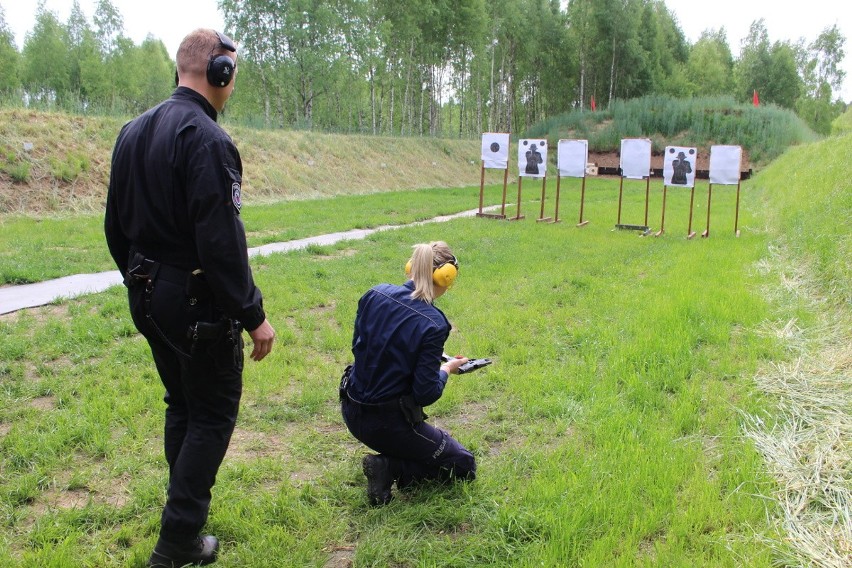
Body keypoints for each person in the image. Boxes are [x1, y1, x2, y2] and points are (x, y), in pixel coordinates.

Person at [104, 28, 275, 568]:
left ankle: (184, 515)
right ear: (218, 72)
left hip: (147, 294)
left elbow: (114, 227)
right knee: (211, 413)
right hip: (192, 302)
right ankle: (178, 542)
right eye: (233, 74)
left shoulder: (131, 131)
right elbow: (221, 244)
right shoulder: (208, 139)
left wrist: (140, 279)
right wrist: (254, 317)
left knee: (183, 403)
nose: (233, 85)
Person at [340, 241, 476, 506]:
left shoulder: (374, 294)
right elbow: (426, 393)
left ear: (411, 268)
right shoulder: (434, 323)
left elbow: (370, 348)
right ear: (446, 276)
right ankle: (389, 468)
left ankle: (393, 461)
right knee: (463, 464)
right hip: (387, 424)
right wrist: (446, 369)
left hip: (351, 410)